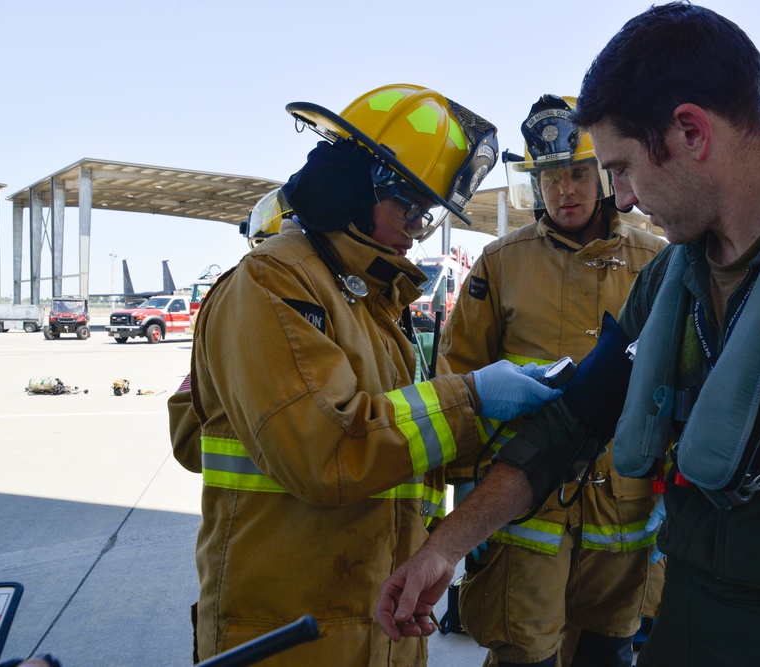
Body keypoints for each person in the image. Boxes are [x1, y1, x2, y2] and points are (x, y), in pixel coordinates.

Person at [376, 5, 760, 666]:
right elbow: (571, 423)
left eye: (624, 169)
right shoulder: (669, 281)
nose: (624, 199)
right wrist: (448, 543)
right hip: (687, 626)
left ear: (689, 131)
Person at [167, 83, 562, 666]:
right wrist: (472, 396)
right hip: (293, 636)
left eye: (426, 215)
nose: (415, 230)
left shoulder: (371, 303)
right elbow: (328, 452)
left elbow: (404, 447)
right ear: (354, 187)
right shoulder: (273, 285)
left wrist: (518, 416)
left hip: (377, 626)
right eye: (410, 207)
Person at [440, 94, 667, 667]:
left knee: (608, 652)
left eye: (577, 173)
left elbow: (687, 377)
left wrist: (679, 478)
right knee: (524, 653)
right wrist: (468, 492)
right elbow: (458, 375)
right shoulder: (500, 262)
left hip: (626, 508)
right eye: (549, 177)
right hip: (525, 507)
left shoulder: (658, 259)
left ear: (604, 174)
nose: (564, 189)